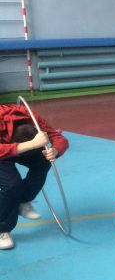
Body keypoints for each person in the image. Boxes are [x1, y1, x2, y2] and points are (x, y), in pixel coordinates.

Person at [0, 104, 68, 250]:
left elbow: (57, 137)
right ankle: (2, 229)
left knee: (44, 161)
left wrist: (55, 151)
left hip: (22, 144)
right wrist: (30, 145)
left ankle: (23, 200)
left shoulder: (30, 116)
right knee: (12, 185)